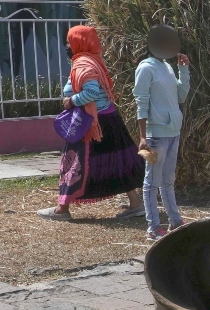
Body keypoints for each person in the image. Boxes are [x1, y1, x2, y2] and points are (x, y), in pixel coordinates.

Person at [38, 25, 144, 222]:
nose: (67, 45)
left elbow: (92, 93)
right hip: (108, 119)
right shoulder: (94, 61)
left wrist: (71, 101)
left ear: (79, 42)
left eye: (70, 41)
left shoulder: (83, 64)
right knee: (116, 160)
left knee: (74, 163)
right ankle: (135, 204)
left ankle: (62, 209)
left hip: (91, 123)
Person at [134, 25, 191, 241]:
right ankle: (153, 227)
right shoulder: (145, 68)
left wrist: (183, 70)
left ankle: (175, 221)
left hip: (173, 130)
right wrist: (142, 137)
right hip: (156, 133)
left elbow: (181, 96)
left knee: (168, 179)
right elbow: (141, 102)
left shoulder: (166, 66)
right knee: (152, 182)